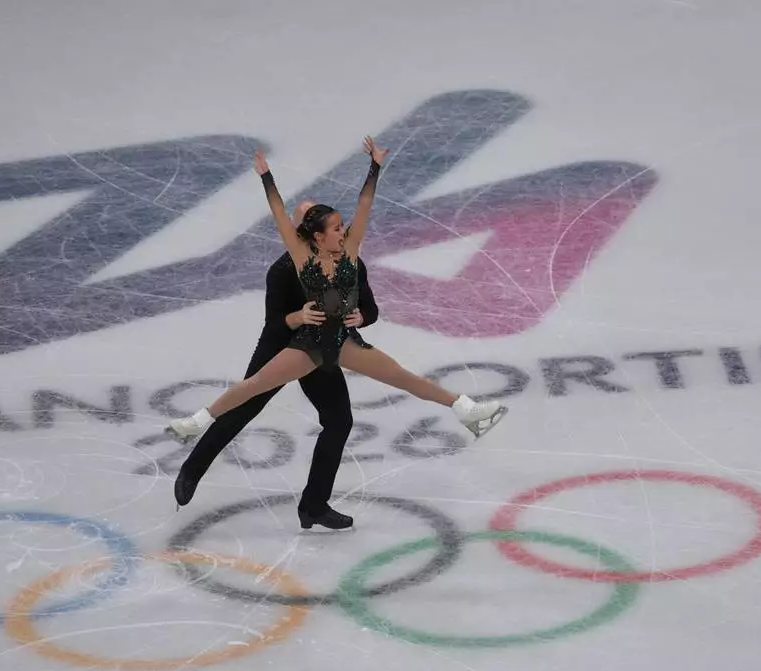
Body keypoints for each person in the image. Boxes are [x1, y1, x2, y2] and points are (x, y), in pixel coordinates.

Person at [166, 137, 507, 502]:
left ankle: (467, 409)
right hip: (301, 343)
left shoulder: (351, 252)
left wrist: (374, 166)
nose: (343, 230)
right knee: (254, 387)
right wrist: (267, 178)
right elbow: (278, 214)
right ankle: (196, 424)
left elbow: (365, 205)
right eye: (336, 227)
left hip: (343, 342)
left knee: (401, 378)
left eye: (342, 225)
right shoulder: (295, 261)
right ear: (314, 234)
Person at [170, 199, 373, 531]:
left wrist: (362, 317)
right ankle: (193, 468)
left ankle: (314, 506)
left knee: (339, 421)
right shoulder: (282, 271)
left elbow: (370, 307)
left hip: (318, 350)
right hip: (279, 345)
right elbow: (275, 323)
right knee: (242, 407)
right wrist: (299, 317)